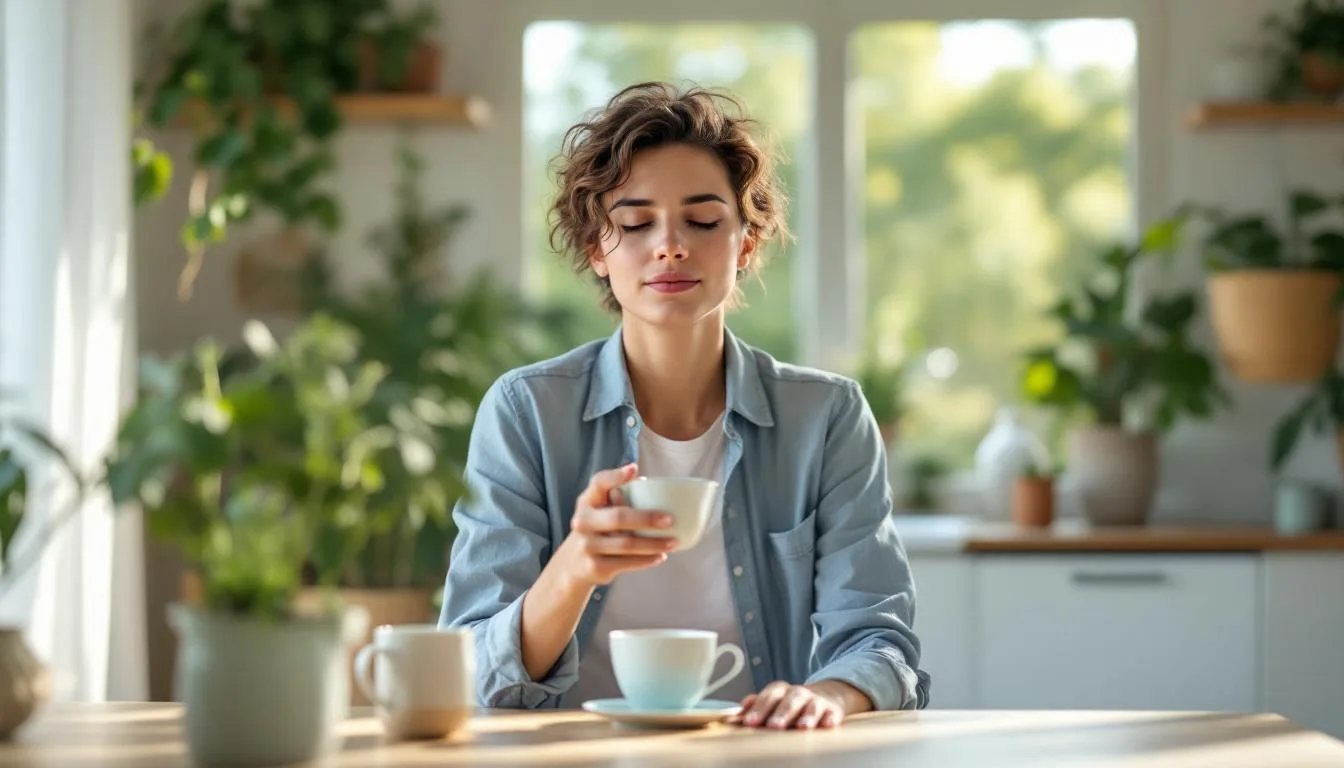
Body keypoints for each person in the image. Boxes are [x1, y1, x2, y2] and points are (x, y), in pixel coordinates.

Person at [439, 81, 929, 730]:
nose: (669, 245)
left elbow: (881, 639)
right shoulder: (526, 411)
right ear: (596, 250)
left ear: (746, 244)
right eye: (635, 223)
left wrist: (826, 697)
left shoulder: (828, 417)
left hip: (753, 752)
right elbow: (472, 669)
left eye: (703, 221)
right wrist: (575, 567)